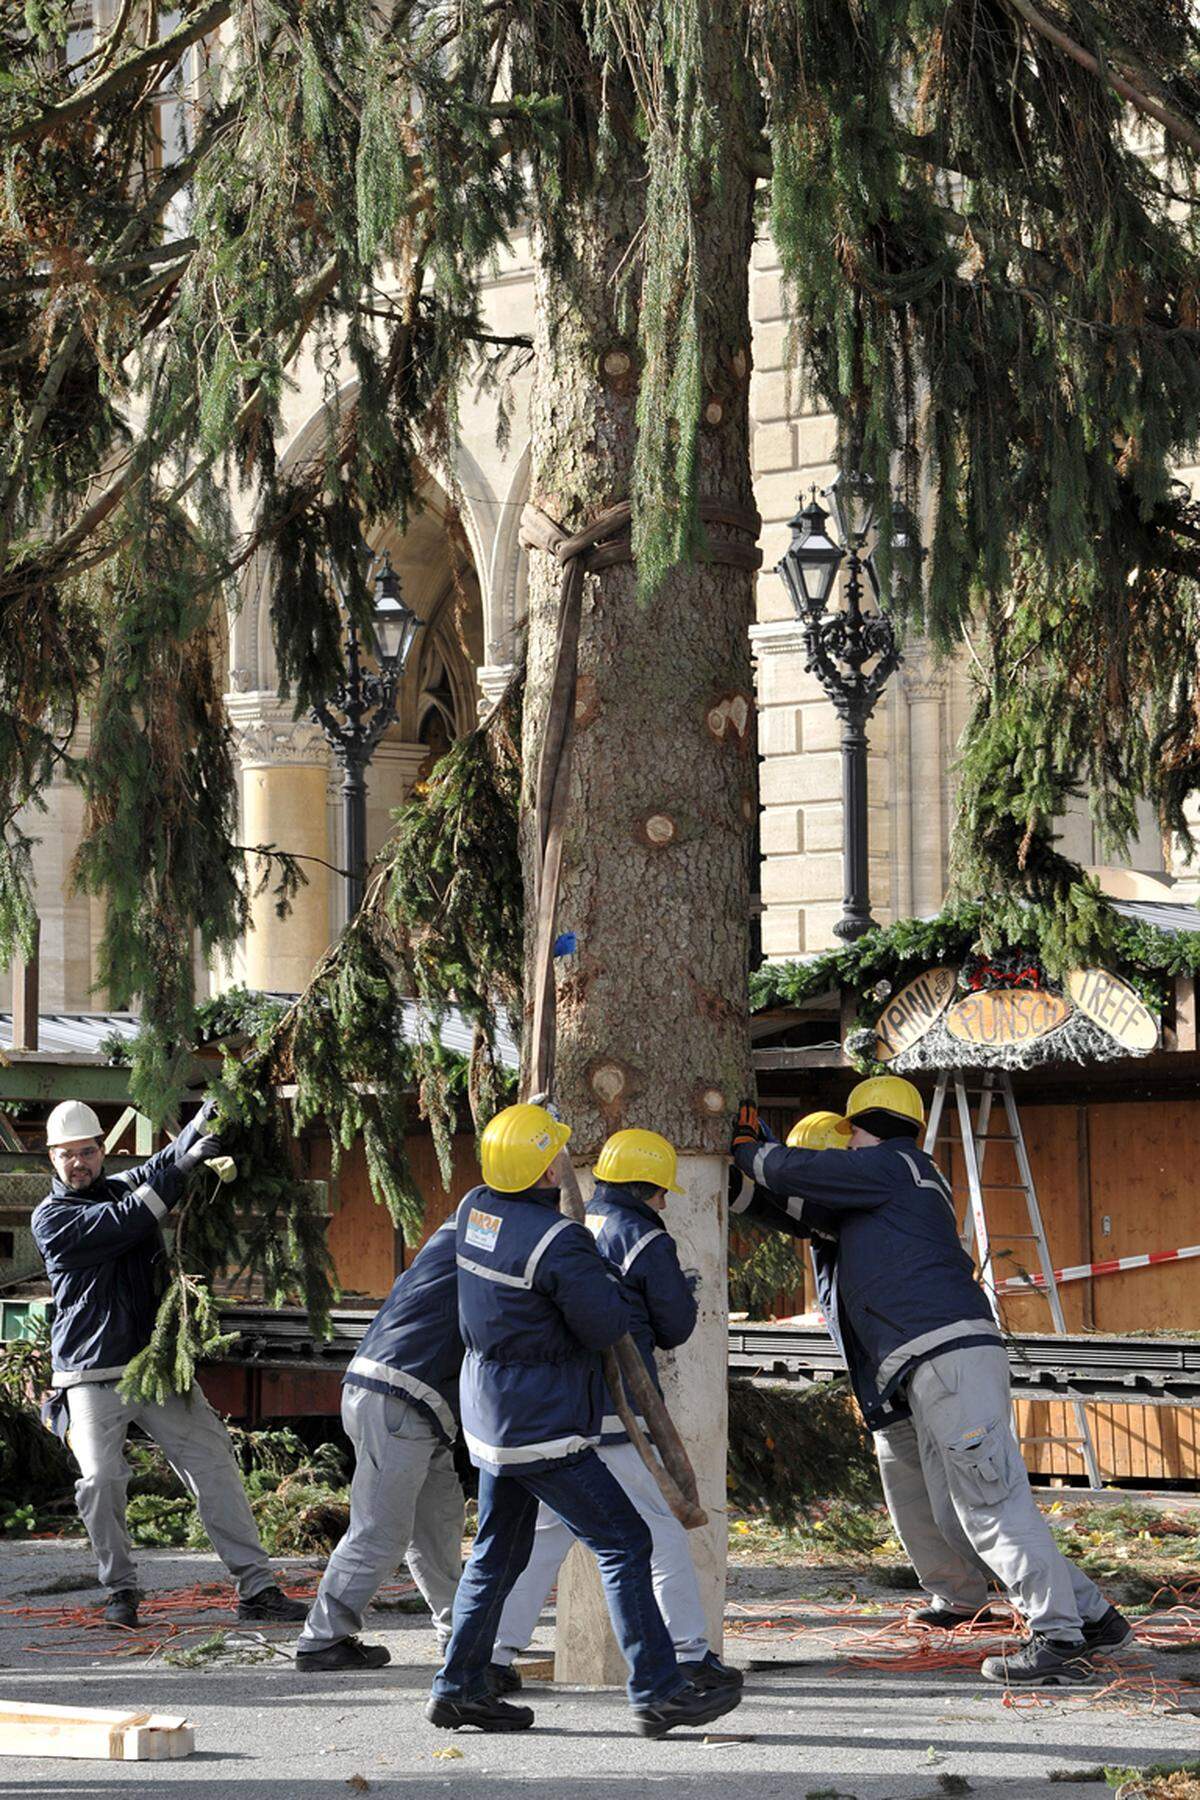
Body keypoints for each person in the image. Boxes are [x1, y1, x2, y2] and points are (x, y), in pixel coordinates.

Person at [730, 1078, 1131, 1687]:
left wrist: (750, 1150)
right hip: (940, 1361)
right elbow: (795, 1211)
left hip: (946, 1359)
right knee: (965, 1513)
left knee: (991, 1506)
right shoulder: (888, 1191)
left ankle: (1059, 1636)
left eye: (846, 1142)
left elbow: (791, 1174)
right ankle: (1093, 1618)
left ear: (866, 1128)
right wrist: (739, 1183)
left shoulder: (892, 1166)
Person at [426, 1103, 741, 1737]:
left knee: (496, 1552)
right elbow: (606, 1325)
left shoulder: (472, 1210)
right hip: (545, 1424)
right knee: (626, 1543)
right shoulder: (560, 1241)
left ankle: (459, 1687)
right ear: (546, 1168)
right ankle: (657, 1691)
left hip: (490, 1416)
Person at [32, 1099, 307, 1630]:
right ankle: (121, 1591)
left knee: (214, 1464)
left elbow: (157, 1167)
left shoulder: (117, 1184)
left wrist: (200, 1125)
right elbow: (128, 1219)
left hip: (154, 1366)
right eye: (67, 1155)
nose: (78, 1163)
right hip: (89, 1372)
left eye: (87, 1152)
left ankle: (258, 1589)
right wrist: (182, 1168)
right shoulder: (54, 1218)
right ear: (52, 1158)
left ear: (101, 1151)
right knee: (101, 1480)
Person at [295, 1216, 465, 1671]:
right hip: (402, 1395)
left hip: (408, 1396)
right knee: (381, 1530)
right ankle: (322, 1639)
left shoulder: (465, 1227)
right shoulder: (496, 1238)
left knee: (438, 1524)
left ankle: (462, 1633)